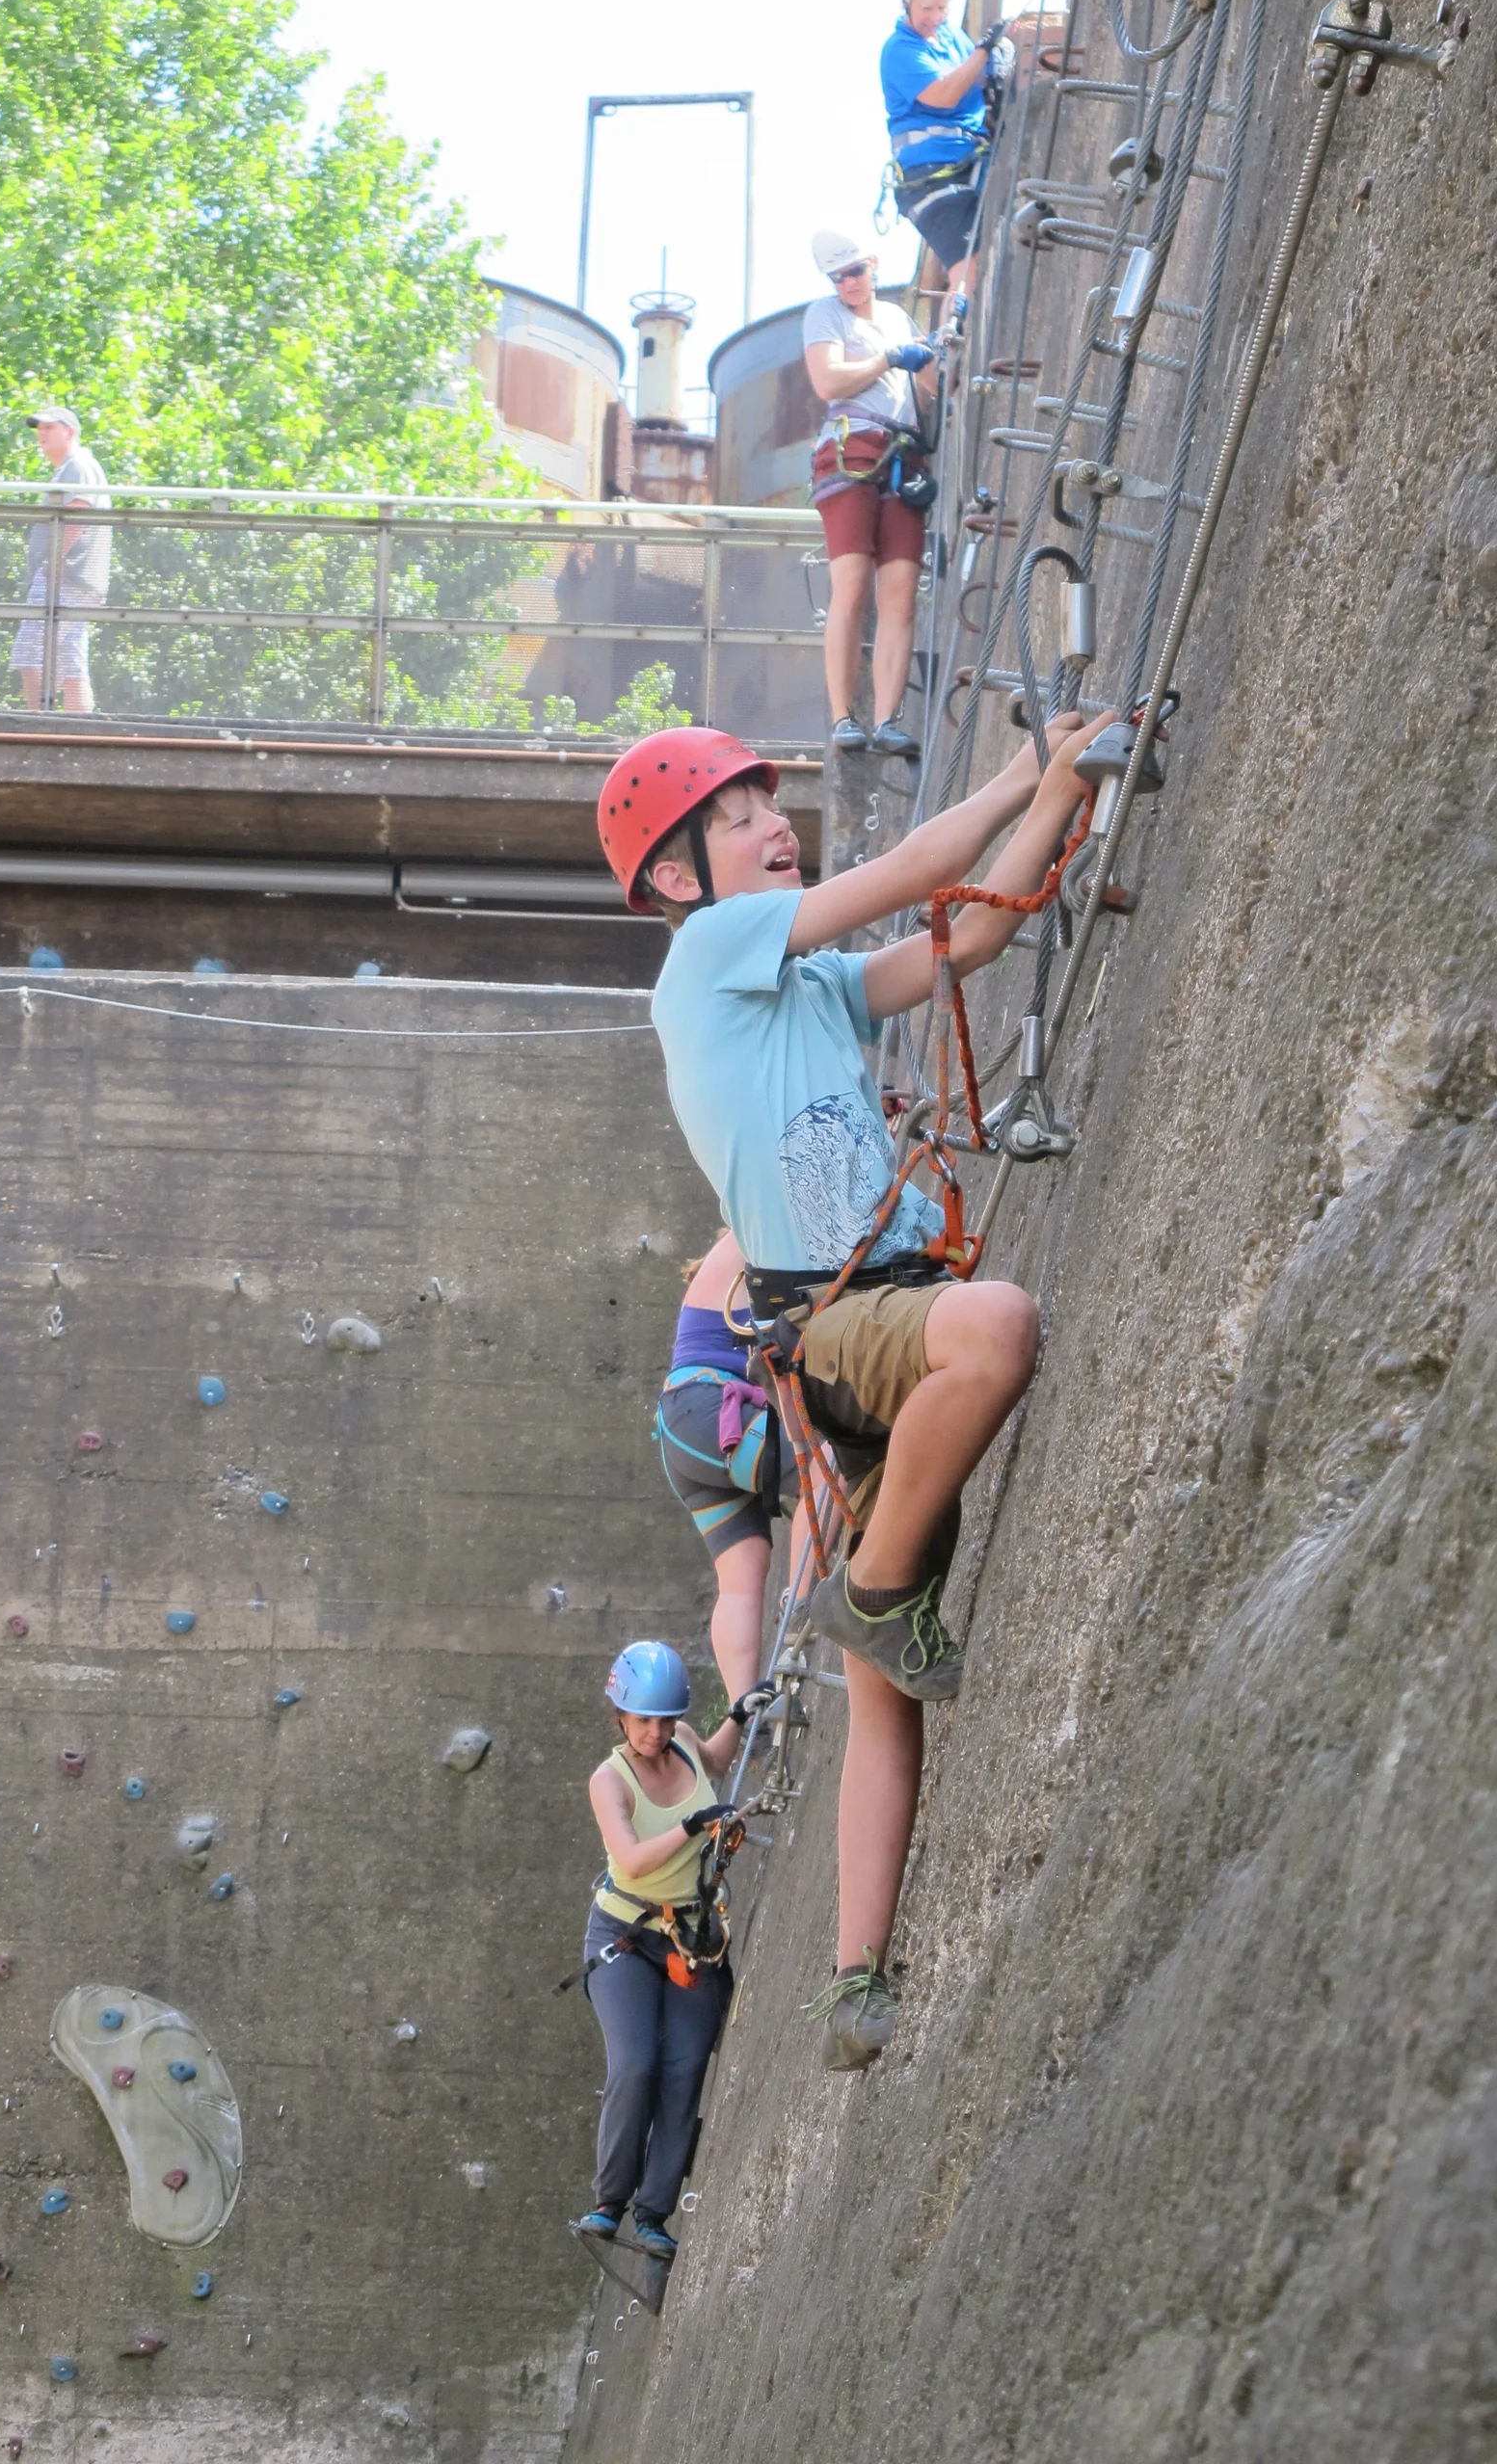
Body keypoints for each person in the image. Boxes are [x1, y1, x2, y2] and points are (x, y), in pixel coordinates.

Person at [596, 707, 1114, 2072]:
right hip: (840, 1328)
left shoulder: (800, 987)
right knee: (995, 1326)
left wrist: (1067, 797)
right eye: (740, 818)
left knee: (882, 1689)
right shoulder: (707, 958)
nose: (777, 827)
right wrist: (1028, 771)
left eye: (774, 807)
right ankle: (878, 1591)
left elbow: (978, 927)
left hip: (855, 1330)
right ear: (673, 880)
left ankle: (852, 1978)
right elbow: (919, 875)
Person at [575, 1642, 774, 2260]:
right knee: (636, 2064)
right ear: (620, 1716)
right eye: (644, 1721)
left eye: (665, 1719)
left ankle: (655, 2214)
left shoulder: (683, 1738)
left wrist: (738, 1715)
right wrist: (690, 1828)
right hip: (626, 1937)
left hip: (690, 1940)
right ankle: (610, 2202)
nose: (658, 1733)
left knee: (686, 2068)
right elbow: (631, 1859)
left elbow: (715, 1757)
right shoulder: (609, 1781)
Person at [802, 231, 937, 759]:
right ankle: (843, 716)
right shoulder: (825, 315)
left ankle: (887, 719)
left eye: (855, 272)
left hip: (903, 452)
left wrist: (933, 356)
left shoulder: (900, 318)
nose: (848, 284)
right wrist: (888, 359)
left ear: (873, 265)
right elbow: (828, 382)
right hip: (851, 448)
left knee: (900, 592)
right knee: (852, 583)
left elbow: (928, 382)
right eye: (839, 278)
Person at [655, 1229, 805, 1701]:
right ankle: (801, 1605)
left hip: (688, 1427)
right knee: (826, 1469)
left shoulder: (734, 1260)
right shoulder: (751, 1232)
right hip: (708, 1412)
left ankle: (747, 1712)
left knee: (741, 1579)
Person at [880, 0, 1006, 317]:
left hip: (972, 157)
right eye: (927, 9)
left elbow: (979, 75)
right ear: (907, 4)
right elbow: (944, 95)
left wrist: (999, 57)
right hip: (930, 176)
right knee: (968, 268)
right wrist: (983, 51)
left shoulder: (951, 37)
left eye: (942, 8)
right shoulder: (899, 50)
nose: (936, 18)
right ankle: (953, 339)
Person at [10, 406, 111, 714]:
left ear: (69, 432)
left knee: (29, 652)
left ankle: (39, 728)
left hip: (65, 576)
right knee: (70, 663)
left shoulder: (77, 465)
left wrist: (52, 562)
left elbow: (78, 512)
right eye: (39, 428)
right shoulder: (74, 467)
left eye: (49, 428)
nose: (41, 434)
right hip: (78, 579)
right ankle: (80, 732)